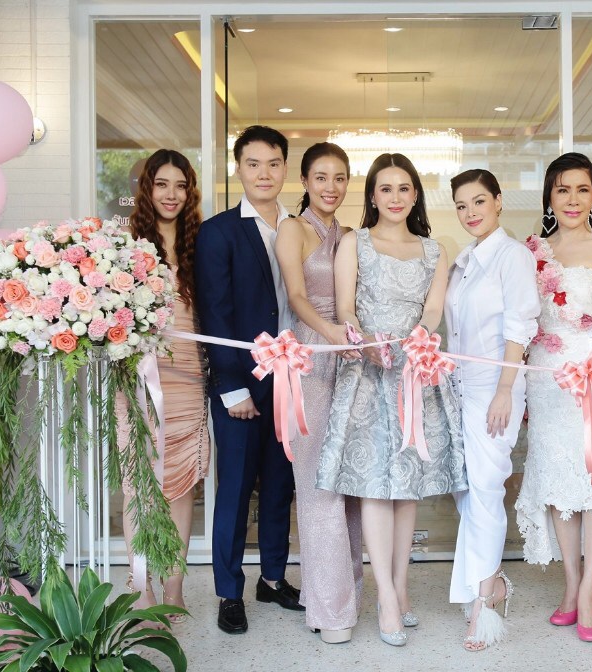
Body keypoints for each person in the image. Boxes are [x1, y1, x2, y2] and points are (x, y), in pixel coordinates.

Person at [316, 153, 468, 647]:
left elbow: (433, 307)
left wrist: (419, 339)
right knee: (376, 488)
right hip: (367, 372)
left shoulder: (434, 250)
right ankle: (384, 595)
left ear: (415, 195)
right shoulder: (354, 243)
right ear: (373, 196)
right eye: (386, 188)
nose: (396, 197)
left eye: (404, 188)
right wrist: (367, 342)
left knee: (407, 489)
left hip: (415, 374)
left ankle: (401, 587)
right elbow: (344, 308)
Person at [514, 152, 592, 643]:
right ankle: (570, 584)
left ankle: (589, 593)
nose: (572, 199)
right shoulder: (531, 250)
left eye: (582, 189)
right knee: (558, 486)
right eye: (562, 189)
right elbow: (521, 322)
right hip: (546, 378)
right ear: (549, 195)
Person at [194, 125, 302, 635]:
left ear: (285, 168)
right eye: (254, 163)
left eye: (273, 163)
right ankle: (229, 592)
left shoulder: (297, 228)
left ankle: (273, 578)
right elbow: (214, 313)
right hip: (241, 383)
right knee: (235, 490)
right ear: (238, 168)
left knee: (281, 485)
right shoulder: (219, 232)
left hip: (291, 379)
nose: (264, 173)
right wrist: (231, 387)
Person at [444, 169, 540, 651]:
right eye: (461, 205)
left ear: (499, 201)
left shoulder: (513, 255)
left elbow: (520, 326)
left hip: (496, 386)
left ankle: (486, 596)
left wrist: (505, 389)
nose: (470, 212)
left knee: (486, 487)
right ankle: (486, 581)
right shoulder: (463, 261)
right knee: (468, 491)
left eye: (479, 201)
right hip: (460, 386)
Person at [273, 142, 363, 644]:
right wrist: (330, 334)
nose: (331, 187)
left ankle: (335, 596)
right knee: (317, 485)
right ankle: (331, 612)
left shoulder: (349, 235)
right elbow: (296, 295)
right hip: (310, 355)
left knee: (349, 486)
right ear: (305, 181)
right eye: (322, 177)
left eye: (340, 178)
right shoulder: (293, 228)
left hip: (349, 356)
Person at [120, 149, 209, 622]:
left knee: (181, 486)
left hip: (189, 378)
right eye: (162, 185)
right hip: (139, 378)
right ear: (147, 189)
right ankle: (141, 585)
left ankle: (174, 586)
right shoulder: (125, 244)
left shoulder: (201, 244)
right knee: (139, 484)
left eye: (180, 185)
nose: (171, 195)